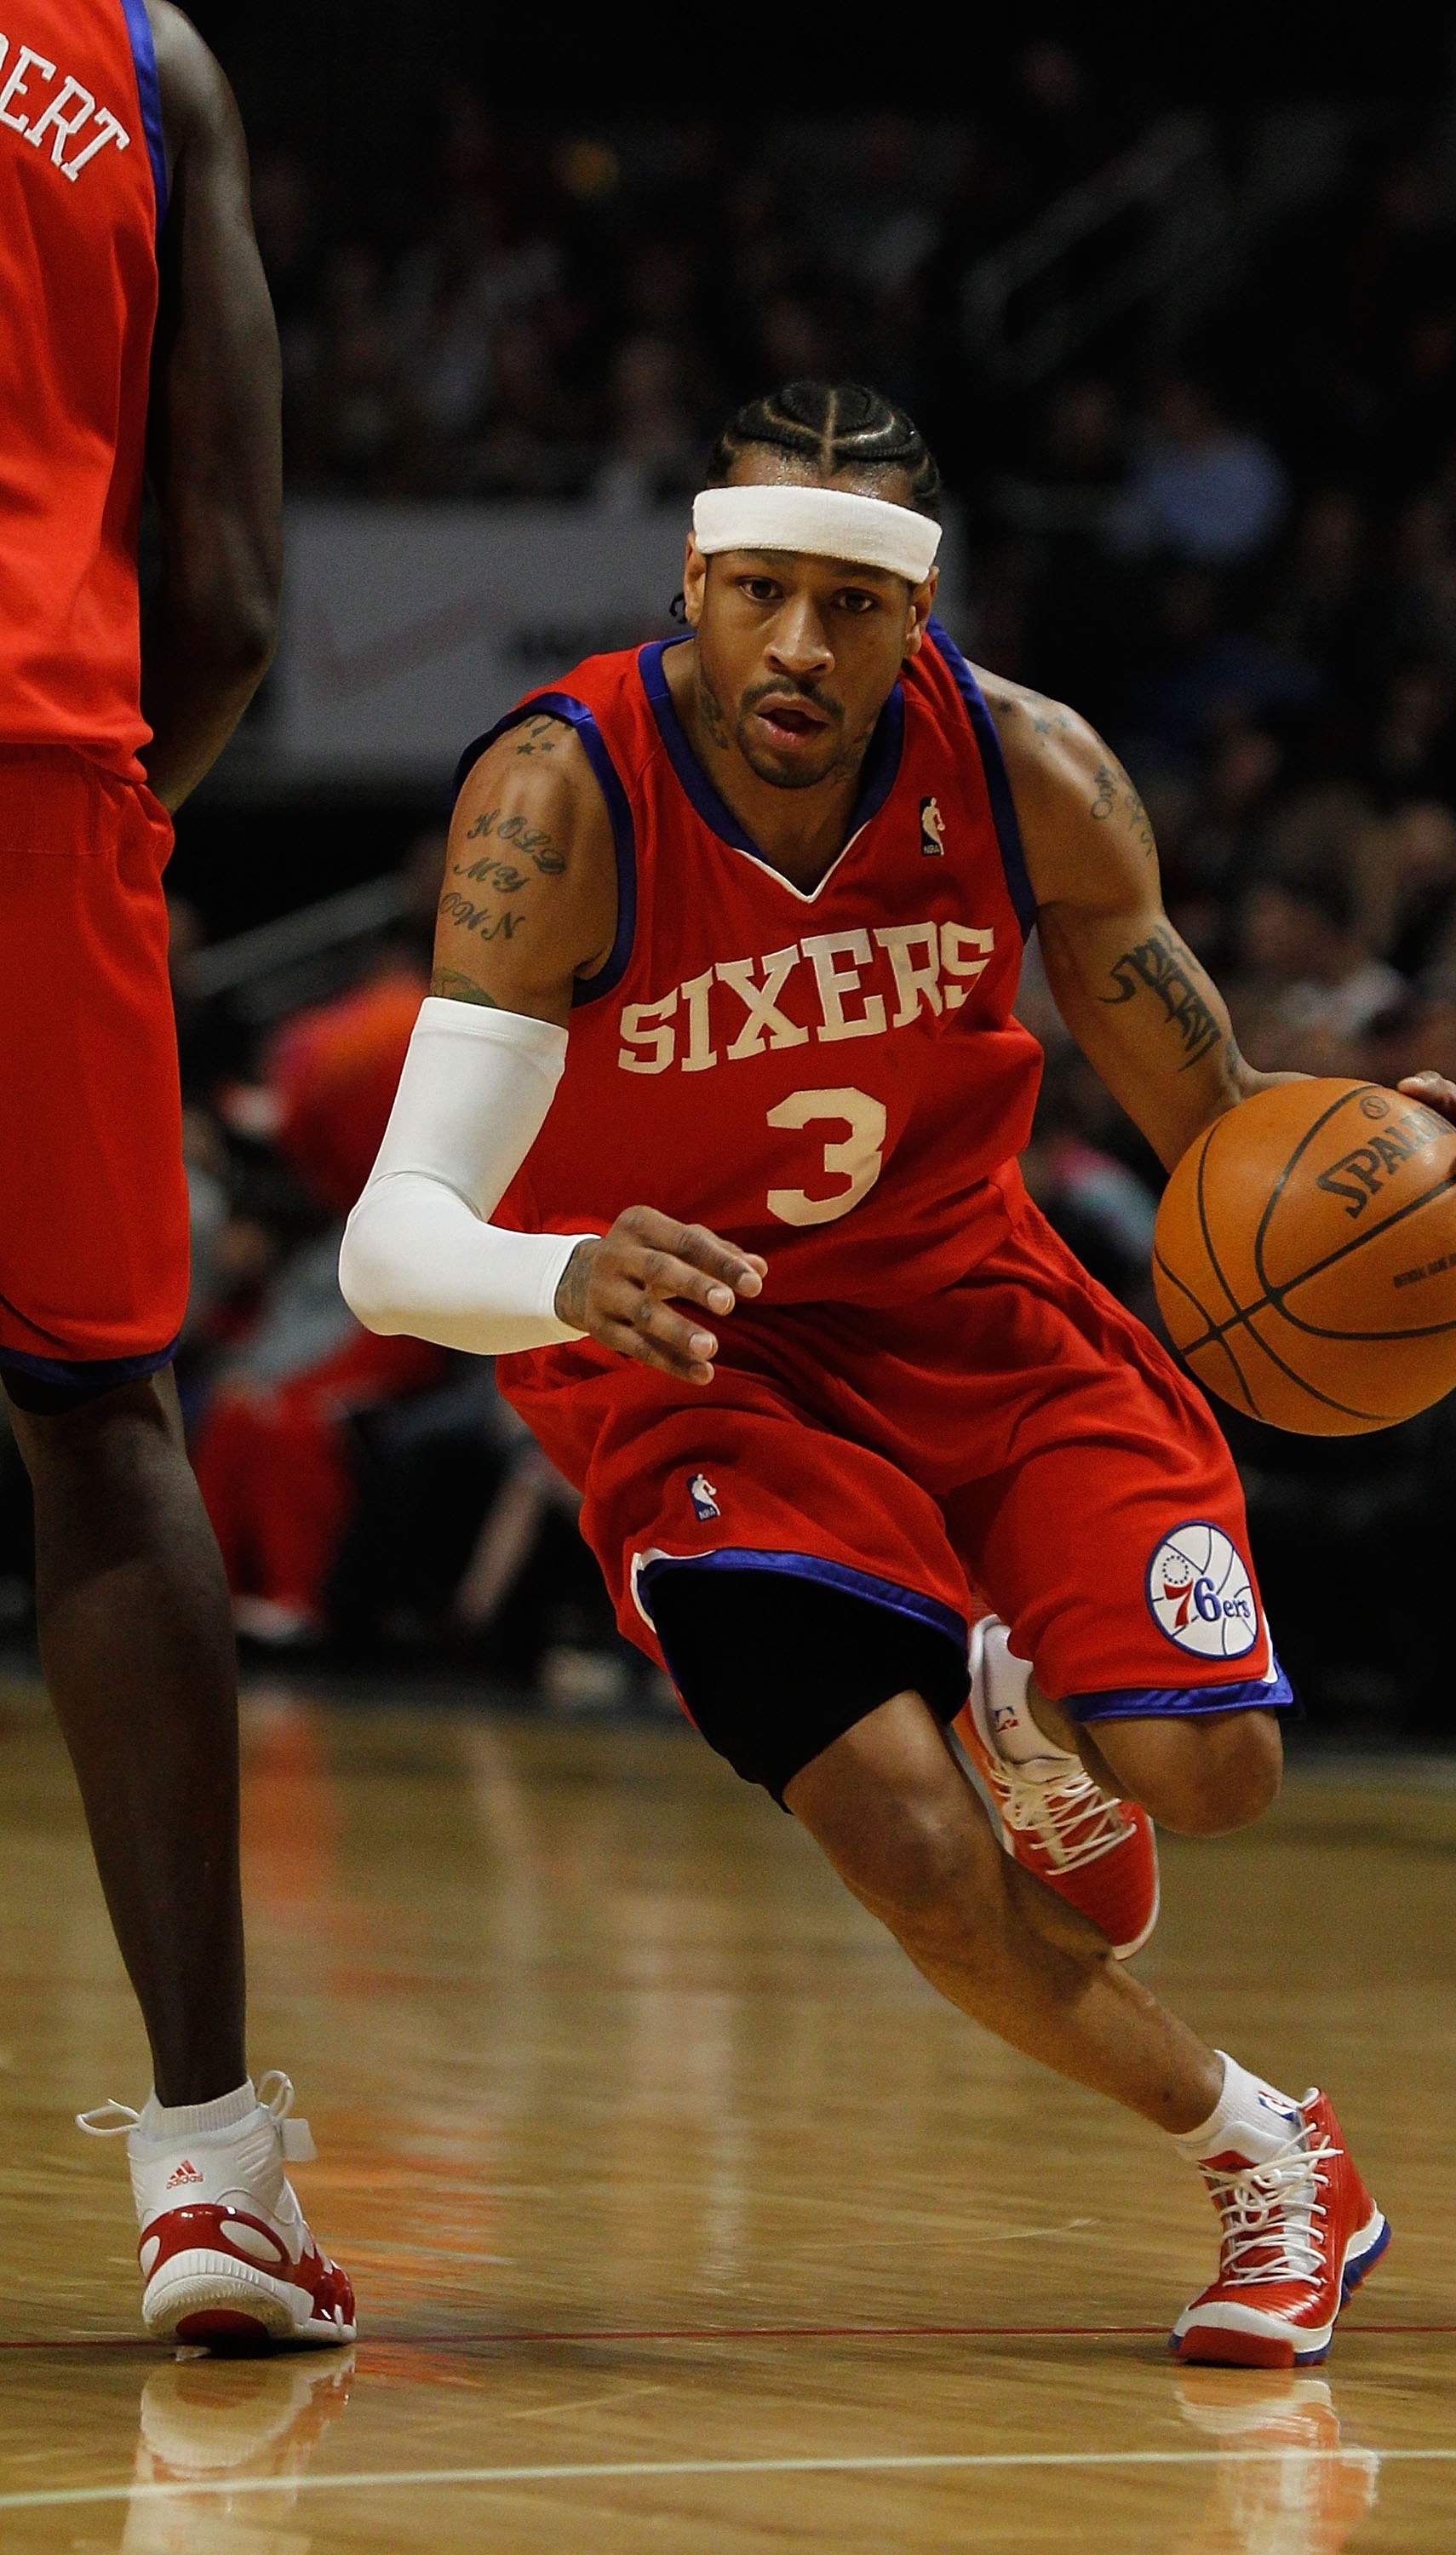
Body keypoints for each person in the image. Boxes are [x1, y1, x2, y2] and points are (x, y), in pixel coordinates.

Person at [341, 380, 1456, 2364]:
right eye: (755, 597)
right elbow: (393, 1246)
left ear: (919, 616)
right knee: (902, 1841)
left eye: (846, 604)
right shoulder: (559, 800)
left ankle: (1034, 1713)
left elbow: (1226, 1127)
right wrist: (568, 1274)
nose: (796, 650)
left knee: (1214, 1777)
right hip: (686, 1357)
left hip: (968, 1310)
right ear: (692, 585)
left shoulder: (1032, 776)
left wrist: (1429, 1185)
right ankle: (1269, 2157)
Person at [0, 0, 350, 2344]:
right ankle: (214, 2182)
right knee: (106, 1446)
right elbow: (220, 596)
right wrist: (115, 820)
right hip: (34, 774)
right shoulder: (134, 55)